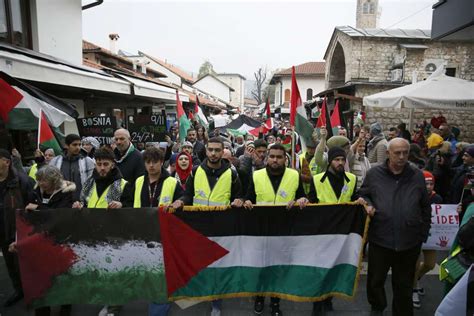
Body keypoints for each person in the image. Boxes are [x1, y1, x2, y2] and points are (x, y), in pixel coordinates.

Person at [359, 138, 431, 316]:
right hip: (380, 238)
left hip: (409, 241)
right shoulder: (374, 174)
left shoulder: (417, 175)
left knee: (404, 284)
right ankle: (377, 307)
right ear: (389, 153)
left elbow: (425, 207)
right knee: (375, 280)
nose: (401, 156)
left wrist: (422, 234)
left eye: (405, 152)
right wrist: (367, 204)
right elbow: (363, 195)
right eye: (397, 152)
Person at [171, 137, 242, 316]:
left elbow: (238, 196)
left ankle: (216, 302)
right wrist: (180, 201)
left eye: (217, 150)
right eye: (210, 149)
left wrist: (239, 201)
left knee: (217, 266)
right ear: (206, 150)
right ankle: (201, 292)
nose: (213, 153)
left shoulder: (232, 173)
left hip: (221, 228)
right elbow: (188, 195)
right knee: (201, 264)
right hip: (199, 227)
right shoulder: (196, 171)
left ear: (223, 151)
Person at [239, 143, 311, 316]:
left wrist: (302, 200)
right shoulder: (257, 176)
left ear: (285, 159)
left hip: (283, 232)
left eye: (279, 157)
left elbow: (302, 195)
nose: (275, 160)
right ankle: (259, 298)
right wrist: (247, 201)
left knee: (278, 270)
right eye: (272, 156)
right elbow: (248, 197)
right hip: (260, 231)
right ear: (267, 158)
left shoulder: (294, 176)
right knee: (261, 269)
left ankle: (275, 303)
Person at [72, 148, 133, 316]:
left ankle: (114, 306)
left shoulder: (123, 185)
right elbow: (83, 202)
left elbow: (133, 209)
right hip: (93, 236)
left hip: (115, 237)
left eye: (106, 164)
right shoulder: (88, 183)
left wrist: (122, 206)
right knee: (101, 273)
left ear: (113, 164)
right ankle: (108, 301)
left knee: (114, 273)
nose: (102, 167)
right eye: (99, 164)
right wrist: (78, 206)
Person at [311, 146, 360, 315]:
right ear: (329, 161)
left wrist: (360, 201)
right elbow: (311, 203)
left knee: (336, 268)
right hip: (322, 233)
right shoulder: (317, 180)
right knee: (320, 270)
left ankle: (328, 298)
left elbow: (354, 200)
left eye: (342, 160)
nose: (340, 163)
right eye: (336, 160)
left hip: (343, 234)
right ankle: (317, 305)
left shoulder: (351, 179)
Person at [22, 165, 75, 316]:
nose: (40, 183)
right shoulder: (35, 192)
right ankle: (42, 307)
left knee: (62, 276)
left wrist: (38, 208)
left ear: (53, 180)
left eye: (43, 180)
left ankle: (65, 305)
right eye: (38, 180)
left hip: (60, 241)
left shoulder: (66, 193)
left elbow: (60, 215)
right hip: (40, 241)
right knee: (41, 277)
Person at [0, 149, 35, 308]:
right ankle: (18, 290)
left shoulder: (22, 181)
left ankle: (33, 292)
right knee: (10, 263)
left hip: (19, 231)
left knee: (26, 263)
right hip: (2, 231)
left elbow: (32, 205)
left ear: (6, 162)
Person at [411, 171, 442, 309]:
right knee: (415, 265)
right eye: (426, 183)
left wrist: (456, 211)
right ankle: (413, 290)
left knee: (430, 264)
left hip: (431, 236)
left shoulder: (438, 198)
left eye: (431, 183)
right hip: (416, 236)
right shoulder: (413, 197)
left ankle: (416, 280)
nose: (429, 186)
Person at [49, 134, 95, 204]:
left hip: (82, 204)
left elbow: (93, 183)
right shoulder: (55, 161)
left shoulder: (88, 161)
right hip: (60, 204)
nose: (78, 148)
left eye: (79, 145)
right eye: (74, 145)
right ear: (66, 145)